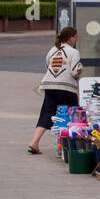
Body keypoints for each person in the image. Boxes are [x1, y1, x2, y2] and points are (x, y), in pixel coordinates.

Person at [28, 27, 83, 155]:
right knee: (73, 115)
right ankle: (71, 146)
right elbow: (75, 72)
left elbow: (48, 66)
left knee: (47, 113)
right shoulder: (73, 52)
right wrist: (80, 67)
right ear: (70, 38)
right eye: (75, 37)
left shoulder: (53, 50)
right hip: (66, 88)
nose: (77, 39)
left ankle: (34, 142)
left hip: (49, 86)